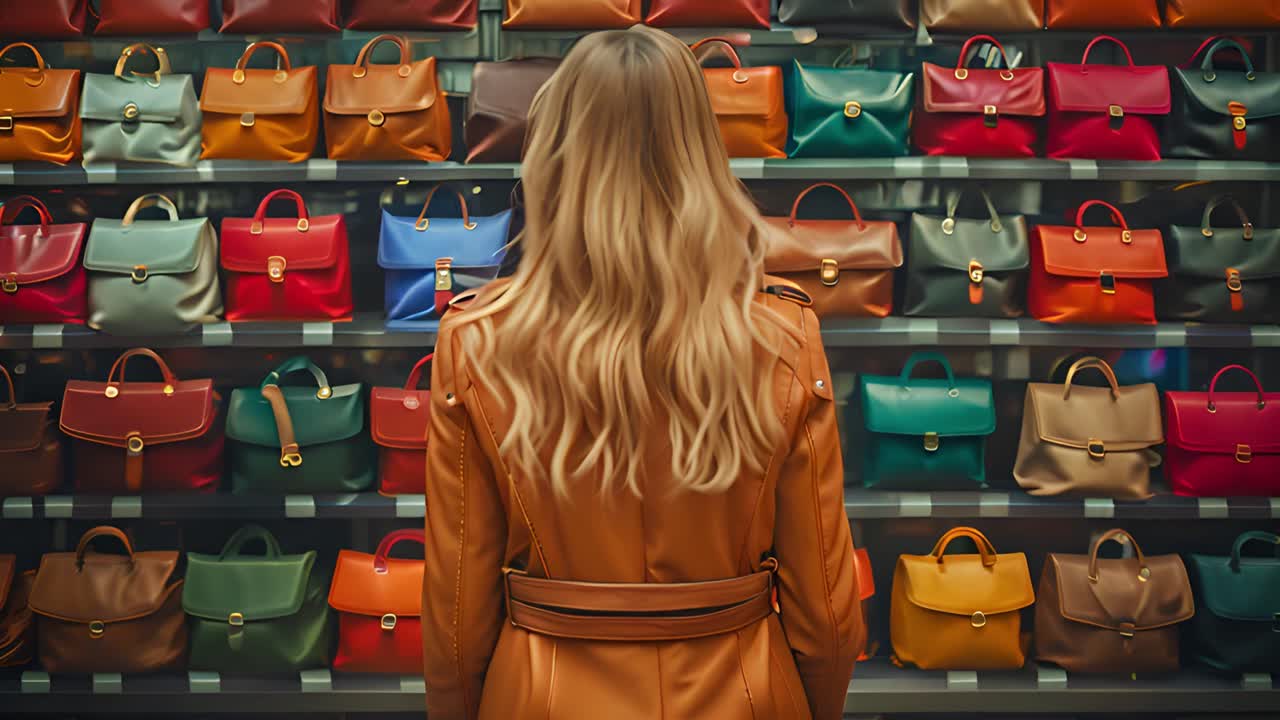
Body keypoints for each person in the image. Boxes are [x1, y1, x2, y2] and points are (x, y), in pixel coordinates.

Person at [422, 25, 860, 720]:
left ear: (556, 150)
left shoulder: (478, 340)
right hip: (741, 690)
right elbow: (827, 614)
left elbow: (455, 615)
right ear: (701, 151)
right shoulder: (782, 337)